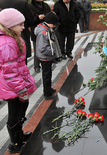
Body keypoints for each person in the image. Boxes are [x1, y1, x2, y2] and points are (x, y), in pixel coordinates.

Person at [0, 8, 37, 153]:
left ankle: (20, 135)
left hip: (17, 83)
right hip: (13, 86)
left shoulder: (13, 37)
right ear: (9, 26)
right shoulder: (7, 44)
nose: (23, 27)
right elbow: (10, 72)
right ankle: (15, 143)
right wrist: (21, 89)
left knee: (22, 107)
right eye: (20, 24)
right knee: (15, 114)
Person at [0, 0, 34, 65]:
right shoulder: (22, 3)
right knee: (22, 61)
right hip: (21, 36)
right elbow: (31, 20)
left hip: (4, 34)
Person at [34, 11, 59, 100]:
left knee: (48, 73)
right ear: (50, 23)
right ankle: (47, 93)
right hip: (45, 57)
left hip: (47, 56)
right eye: (54, 24)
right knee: (46, 75)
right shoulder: (43, 32)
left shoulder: (45, 29)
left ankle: (49, 89)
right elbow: (43, 47)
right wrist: (52, 52)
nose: (55, 26)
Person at [29, 0, 51, 73]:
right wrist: (38, 18)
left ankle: (48, 61)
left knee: (48, 46)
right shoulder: (30, 6)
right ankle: (36, 65)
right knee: (37, 48)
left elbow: (50, 16)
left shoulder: (46, 5)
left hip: (46, 30)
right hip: (36, 31)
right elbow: (29, 20)